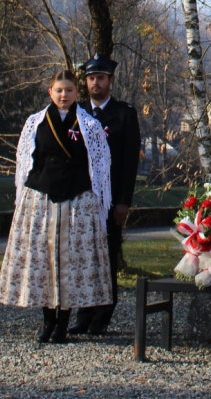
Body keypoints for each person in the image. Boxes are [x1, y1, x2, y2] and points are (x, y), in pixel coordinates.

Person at [0, 70, 112, 343]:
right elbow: (27, 162)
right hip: (42, 197)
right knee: (43, 261)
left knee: (70, 262)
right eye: (59, 90)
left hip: (77, 200)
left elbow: (99, 166)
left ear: (77, 93)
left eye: (69, 90)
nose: (64, 95)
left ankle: (63, 323)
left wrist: (97, 200)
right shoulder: (35, 122)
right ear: (50, 92)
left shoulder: (89, 125)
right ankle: (47, 321)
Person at [68, 54, 141, 336]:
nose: (94, 83)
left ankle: (102, 315)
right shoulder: (76, 114)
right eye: (90, 78)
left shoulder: (125, 114)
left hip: (109, 201)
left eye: (100, 78)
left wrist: (123, 201)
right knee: (82, 258)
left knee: (106, 257)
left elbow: (128, 163)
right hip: (80, 200)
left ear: (110, 80)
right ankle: (82, 314)